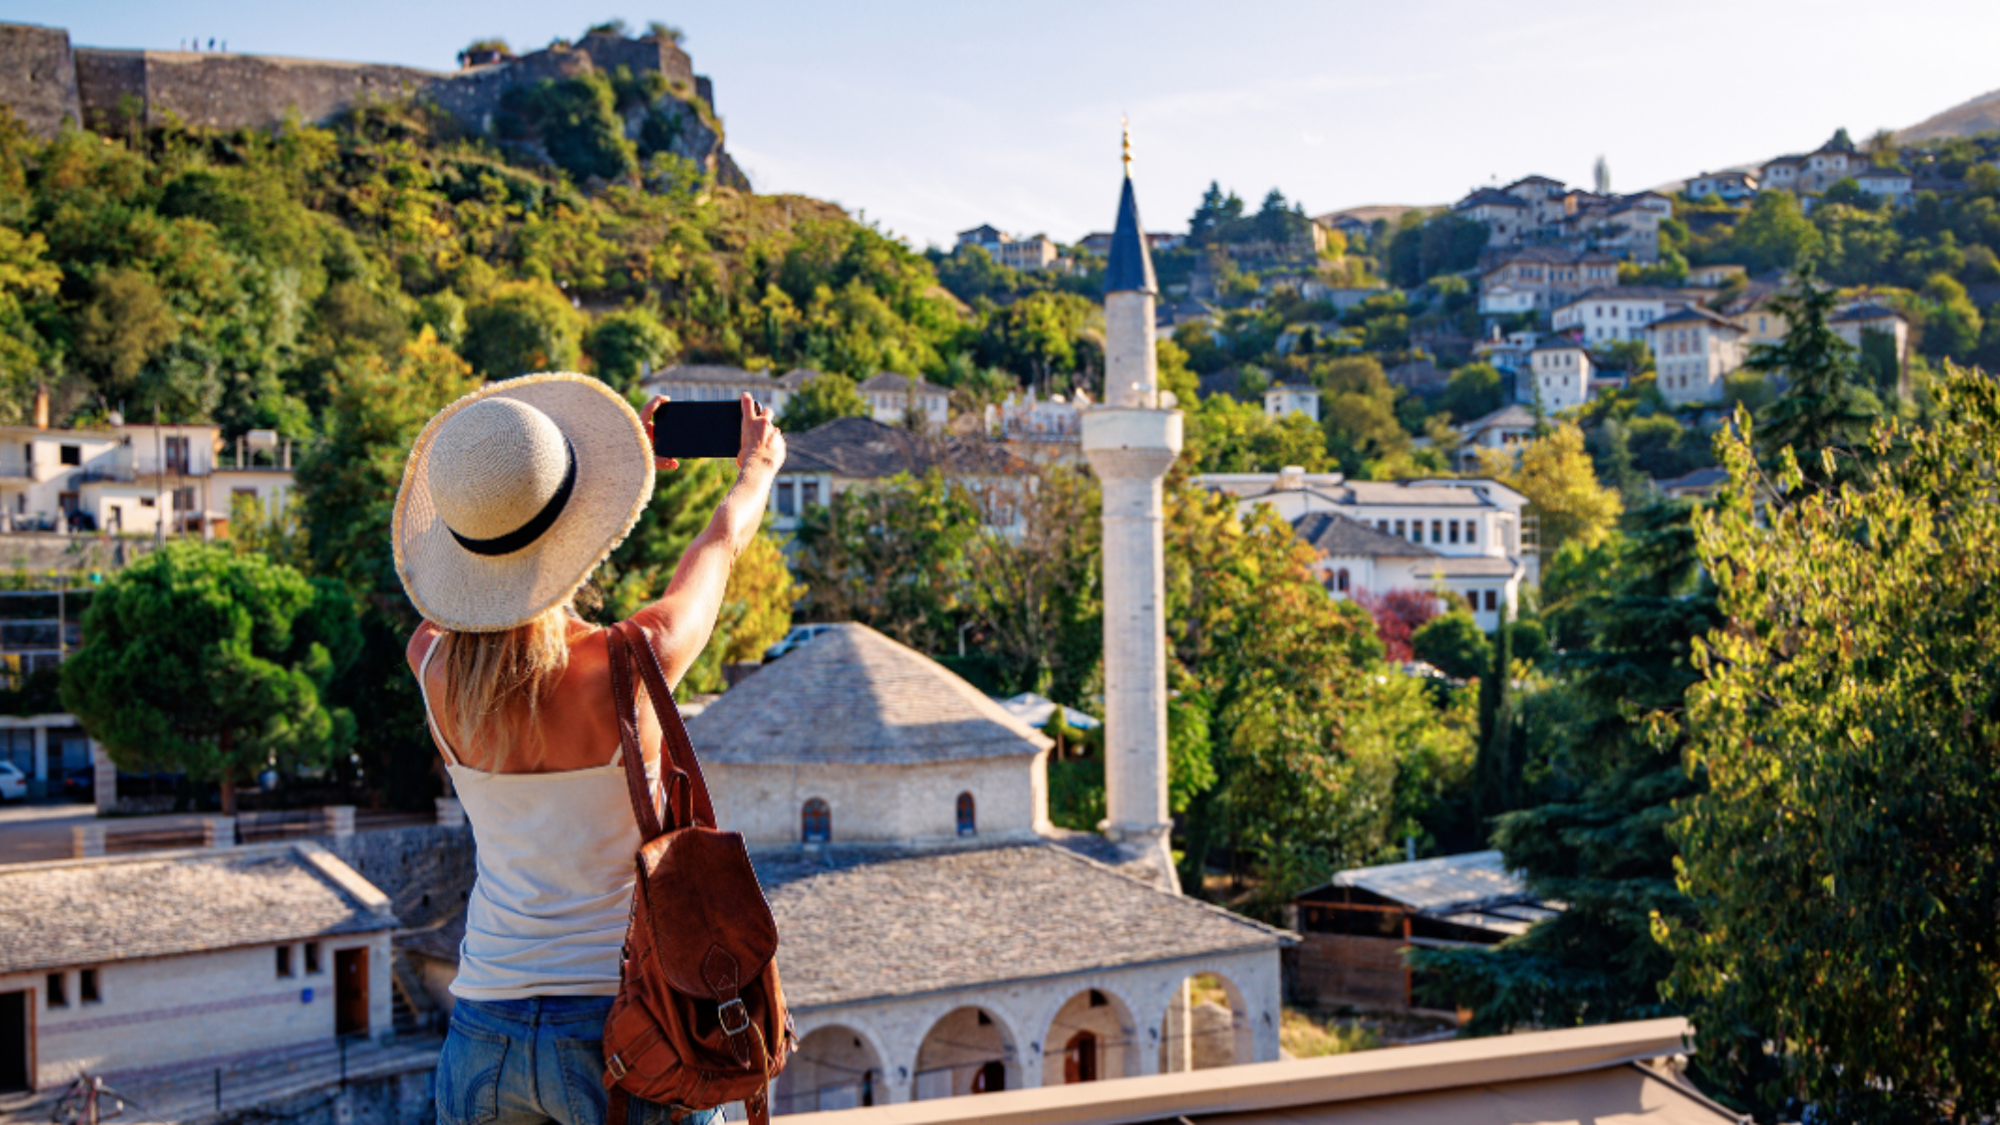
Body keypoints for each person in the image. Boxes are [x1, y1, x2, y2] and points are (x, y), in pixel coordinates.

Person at [393, 374, 783, 1125]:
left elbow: (481, 603)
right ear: (578, 527)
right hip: (627, 1029)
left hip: (483, 1027)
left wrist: (587, 487)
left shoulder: (431, 665)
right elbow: (720, 543)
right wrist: (755, 468)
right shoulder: (635, 663)